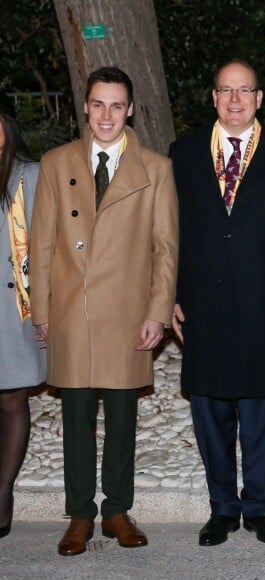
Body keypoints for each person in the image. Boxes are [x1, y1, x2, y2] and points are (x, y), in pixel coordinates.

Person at [169, 59, 265, 547]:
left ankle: (259, 508)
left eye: (245, 91)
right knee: (210, 409)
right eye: (225, 91)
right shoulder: (183, 153)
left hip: (264, 305)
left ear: (259, 99)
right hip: (201, 304)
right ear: (212, 97)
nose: (234, 100)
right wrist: (166, 296)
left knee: (260, 412)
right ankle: (222, 509)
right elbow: (166, 235)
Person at [29, 67, 178, 556]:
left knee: (120, 416)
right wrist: (42, 309)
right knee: (75, 418)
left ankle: (116, 509)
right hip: (72, 310)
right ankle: (79, 515)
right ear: (86, 108)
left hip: (127, 313)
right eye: (98, 104)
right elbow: (44, 242)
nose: (107, 115)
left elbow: (165, 248)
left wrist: (157, 311)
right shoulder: (56, 163)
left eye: (117, 105)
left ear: (131, 109)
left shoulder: (154, 168)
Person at [0, 98, 46, 539]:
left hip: (14, 308)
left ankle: (2, 492)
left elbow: (49, 247)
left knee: (12, 400)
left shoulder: (29, 176)